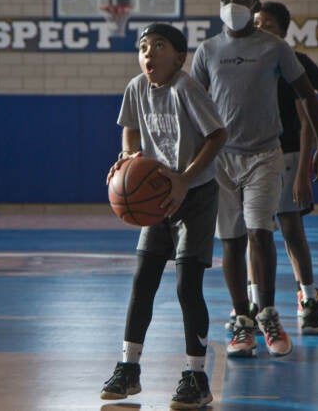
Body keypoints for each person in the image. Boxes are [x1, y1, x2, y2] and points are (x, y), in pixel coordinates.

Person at [191, 0, 318, 358]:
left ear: (254, 3)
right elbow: (192, 106)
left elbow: (308, 98)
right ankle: (242, 321)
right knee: (231, 242)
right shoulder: (207, 51)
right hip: (222, 160)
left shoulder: (275, 48)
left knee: (261, 233)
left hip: (265, 156)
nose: (231, 5)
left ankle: (268, 313)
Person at [100, 23, 227, 409]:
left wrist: (185, 180)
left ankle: (197, 376)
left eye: (159, 46)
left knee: (187, 286)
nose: (149, 54)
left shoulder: (186, 88)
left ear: (180, 57)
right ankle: (128, 367)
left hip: (195, 195)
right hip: (157, 200)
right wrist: (128, 159)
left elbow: (217, 135)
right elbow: (131, 132)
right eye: (143, 48)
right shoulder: (136, 88)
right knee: (143, 282)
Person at [253, 1, 318, 333]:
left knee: (291, 229)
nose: (261, 28)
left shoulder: (294, 62)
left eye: (268, 24)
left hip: (290, 154)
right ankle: (256, 301)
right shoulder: (247, 64)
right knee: (256, 233)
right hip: (252, 156)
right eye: (256, 22)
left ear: (283, 30)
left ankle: (308, 298)